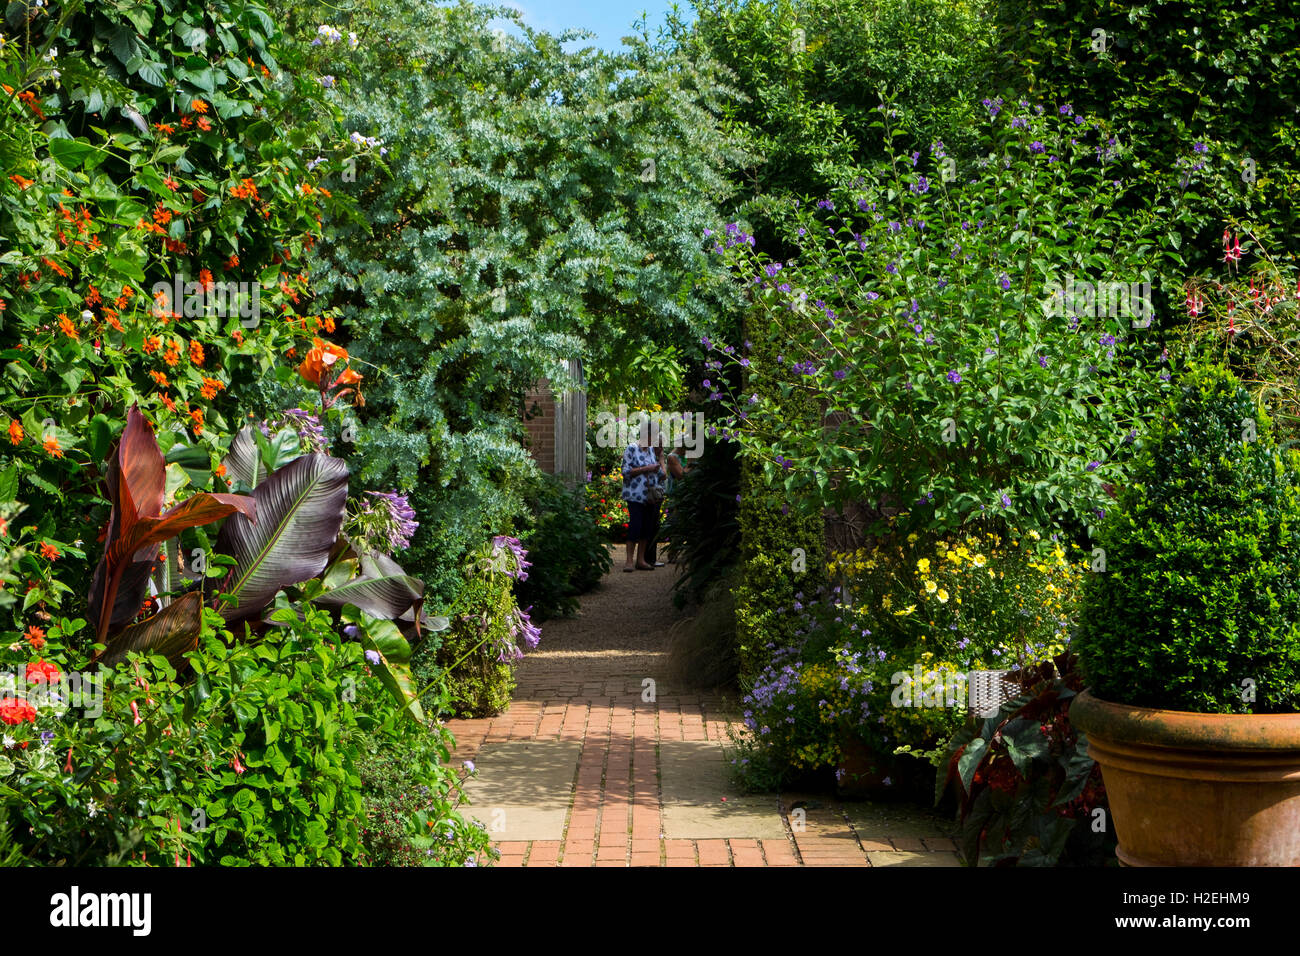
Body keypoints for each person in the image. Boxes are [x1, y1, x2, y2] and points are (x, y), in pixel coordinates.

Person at [621, 420, 665, 572]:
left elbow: (661, 475)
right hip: (635, 495)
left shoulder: (652, 450)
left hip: (650, 496)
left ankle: (641, 560)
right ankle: (628, 561)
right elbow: (626, 472)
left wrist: (660, 462)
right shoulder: (632, 448)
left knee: (647, 527)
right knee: (635, 525)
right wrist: (647, 468)